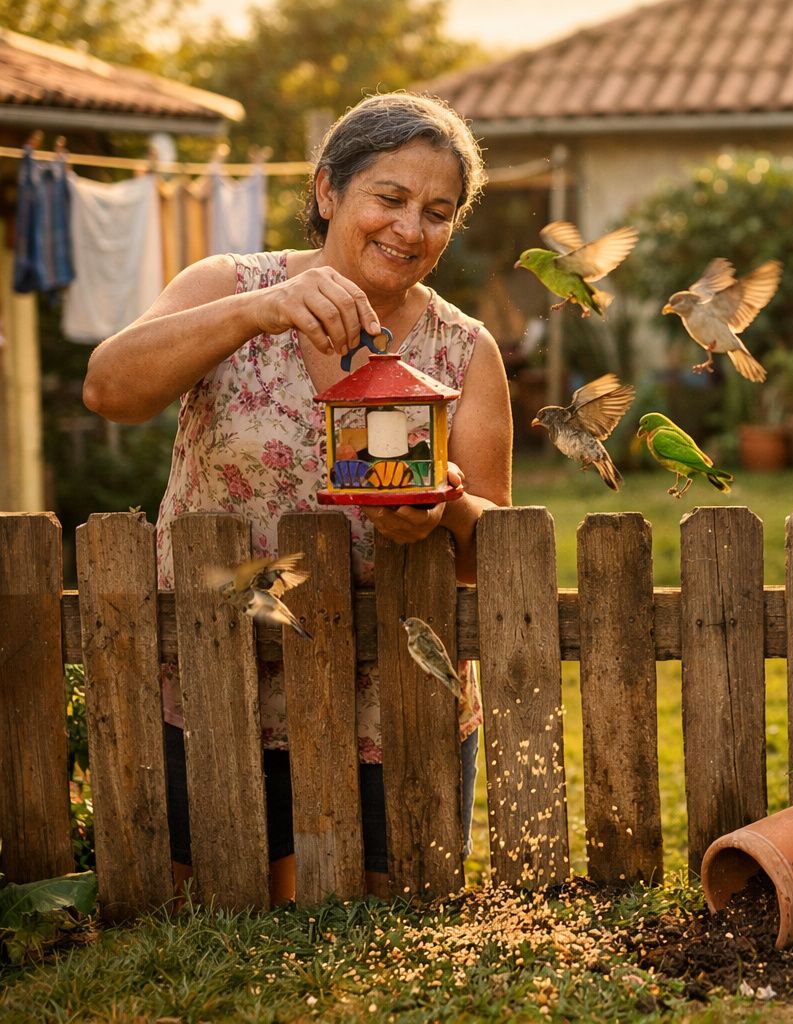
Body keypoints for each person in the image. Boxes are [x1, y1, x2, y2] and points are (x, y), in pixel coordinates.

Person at [82, 92, 513, 903]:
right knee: (206, 917)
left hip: (391, 708)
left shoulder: (463, 350)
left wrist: (441, 505)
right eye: (389, 198)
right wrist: (257, 312)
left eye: (437, 211)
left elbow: (493, 549)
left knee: (382, 935)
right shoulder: (229, 288)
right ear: (327, 192)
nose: (410, 229)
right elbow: (109, 389)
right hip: (215, 681)